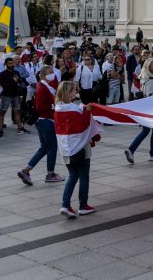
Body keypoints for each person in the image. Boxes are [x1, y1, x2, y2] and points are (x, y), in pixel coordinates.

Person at [54, 80, 100, 218]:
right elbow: (83, 124)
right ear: (69, 93)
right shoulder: (73, 109)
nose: (77, 92)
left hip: (65, 148)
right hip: (79, 147)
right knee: (84, 176)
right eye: (74, 90)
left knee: (72, 176)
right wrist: (87, 111)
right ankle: (83, 205)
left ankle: (65, 204)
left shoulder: (58, 108)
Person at [18, 67, 64, 185]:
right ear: (42, 75)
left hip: (43, 121)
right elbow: (39, 106)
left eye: (52, 72)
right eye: (50, 73)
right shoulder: (42, 88)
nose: (52, 75)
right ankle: (50, 173)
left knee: (44, 147)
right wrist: (54, 106)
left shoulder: (45, 86)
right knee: (52, 148)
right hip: (46, 121)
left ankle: (26, 170)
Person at [124, 59, 153, 163]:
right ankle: (152, 153)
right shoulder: (150, 80)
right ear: (149, 67)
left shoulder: (145, 77)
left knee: (147, 131)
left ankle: (132, 150)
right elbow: (150, 96)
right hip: (151, 110)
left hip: (147, 109)